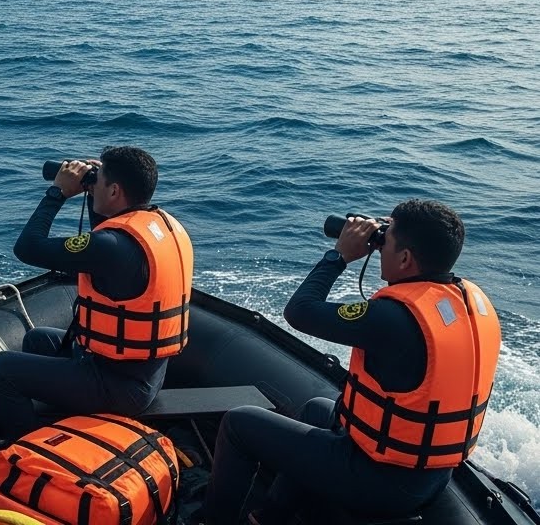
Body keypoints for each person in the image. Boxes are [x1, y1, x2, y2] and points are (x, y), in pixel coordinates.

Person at [199, 200, 501, 525]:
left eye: (387, 238)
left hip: (378, 481)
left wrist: (339, 255)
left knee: (238, 423)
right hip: (427, 476)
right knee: (318, 407)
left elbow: (299, 311)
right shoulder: (468, 305)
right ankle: (271, 516)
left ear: (405, 258)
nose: (379, 246)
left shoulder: (393, 318)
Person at [0, 146, 193, 440]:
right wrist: (96, 191)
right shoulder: (159, 225)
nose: (92, 185)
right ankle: (63, 418)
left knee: (0, 368)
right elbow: (105, 242)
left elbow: (27, 248)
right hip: (142, 375)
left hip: (119, 388)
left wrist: (57, 193)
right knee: (37, 339)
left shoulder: (111, 246)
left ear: (115, 191)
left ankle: (26, 447)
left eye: (99, 180)